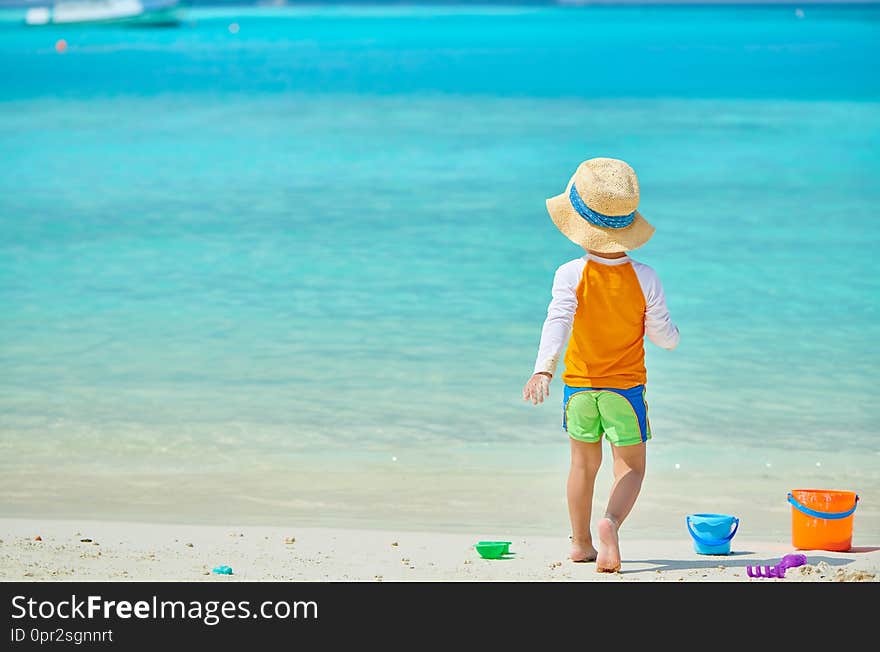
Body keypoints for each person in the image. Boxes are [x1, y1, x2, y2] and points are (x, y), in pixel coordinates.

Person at [522, 158, 679, 572]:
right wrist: (670, 332)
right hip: (624, 390)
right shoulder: (645, 277)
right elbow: (664, 338)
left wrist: (543, 369)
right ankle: (610, 522)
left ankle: (580, 543)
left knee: (581, 465)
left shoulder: (570, 273)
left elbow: (557, 321)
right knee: (631, 466)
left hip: (578, 387)